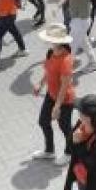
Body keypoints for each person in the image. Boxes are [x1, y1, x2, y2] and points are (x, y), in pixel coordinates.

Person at [32, 24, 76, 166]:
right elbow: (48, 70)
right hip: (51, 95)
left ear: (59, 42)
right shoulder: (51, 53)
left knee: (64, 127)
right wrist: (40, 83)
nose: (48, 42)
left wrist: (57, 107)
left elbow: (64, 86)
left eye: (50, 40)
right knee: (43, 121)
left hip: (65, 100)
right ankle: (49, 151)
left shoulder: (66, 60)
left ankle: (69, 153)